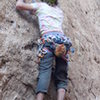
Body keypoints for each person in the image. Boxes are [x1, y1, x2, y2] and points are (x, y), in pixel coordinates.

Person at [16, 0, 72, 100]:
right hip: (63, 43)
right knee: (62, 76)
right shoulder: (59, 11)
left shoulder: (40, 6)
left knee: (45, 72)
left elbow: (19, 6)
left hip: (49, 40)